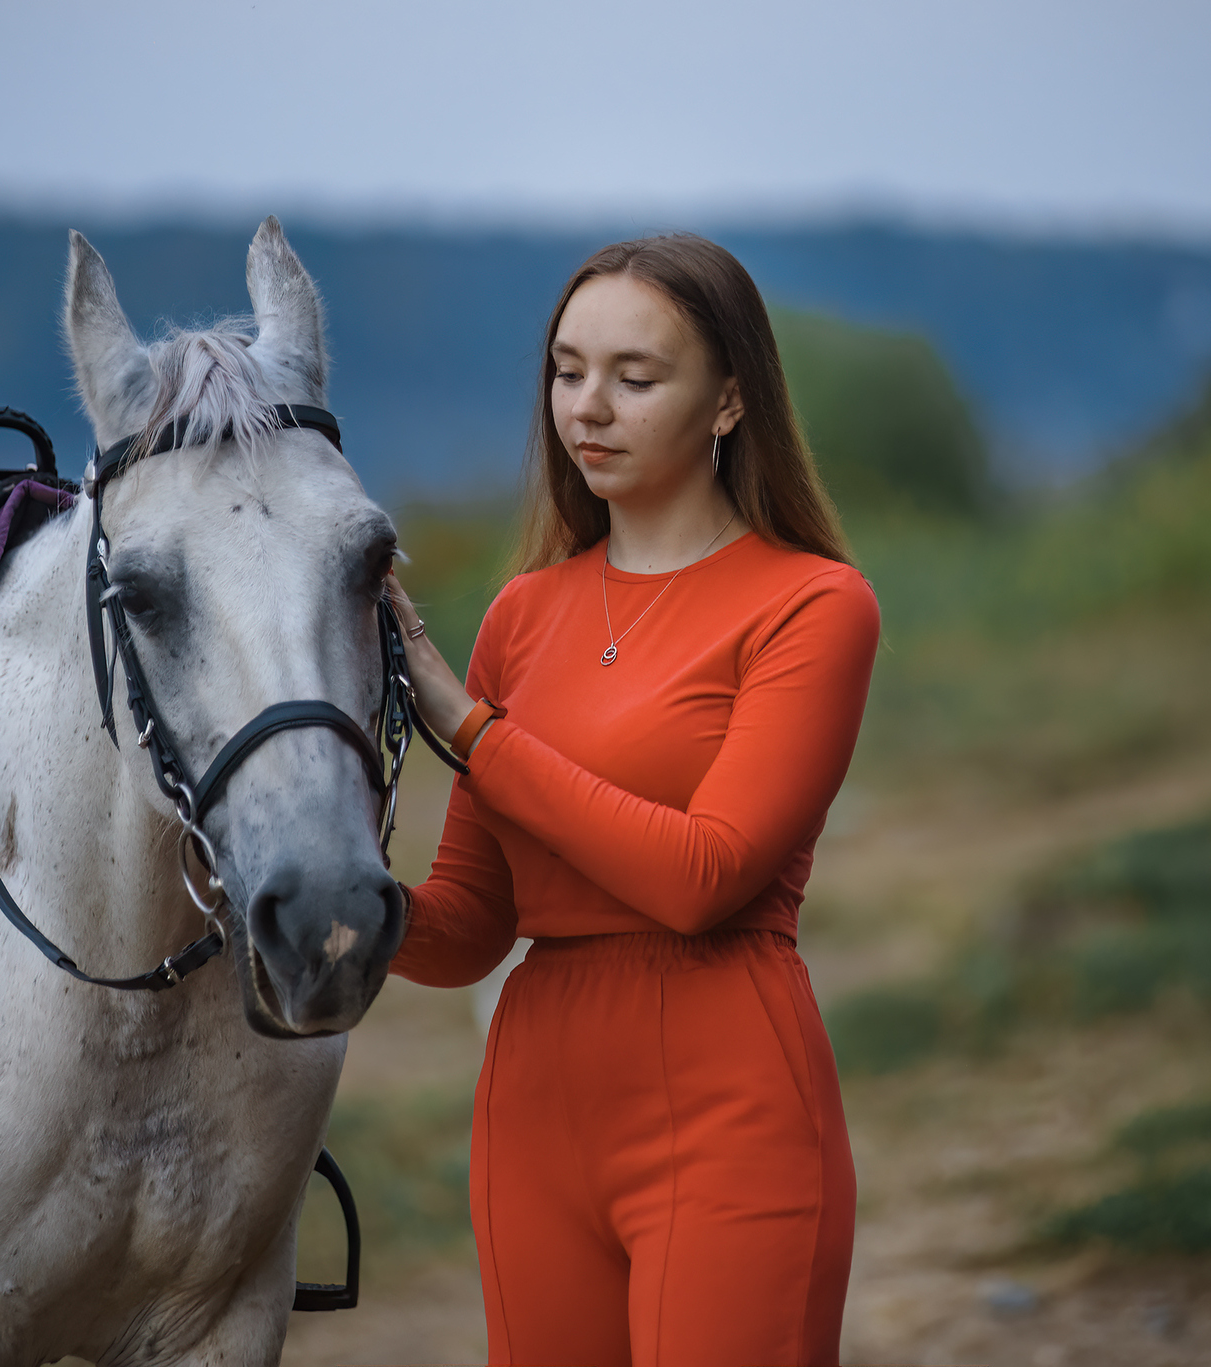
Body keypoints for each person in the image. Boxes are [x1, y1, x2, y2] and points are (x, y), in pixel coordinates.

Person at [383, 233, 880, 1367]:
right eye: (566, 371)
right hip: (533, 1103)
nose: (586, 408)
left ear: (727, 401)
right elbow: (470, 924)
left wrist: (470, 729)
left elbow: (701, 876)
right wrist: (339, 910)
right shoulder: (521, 612)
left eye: (634, 377)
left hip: (728, 1101)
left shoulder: (812, 605)